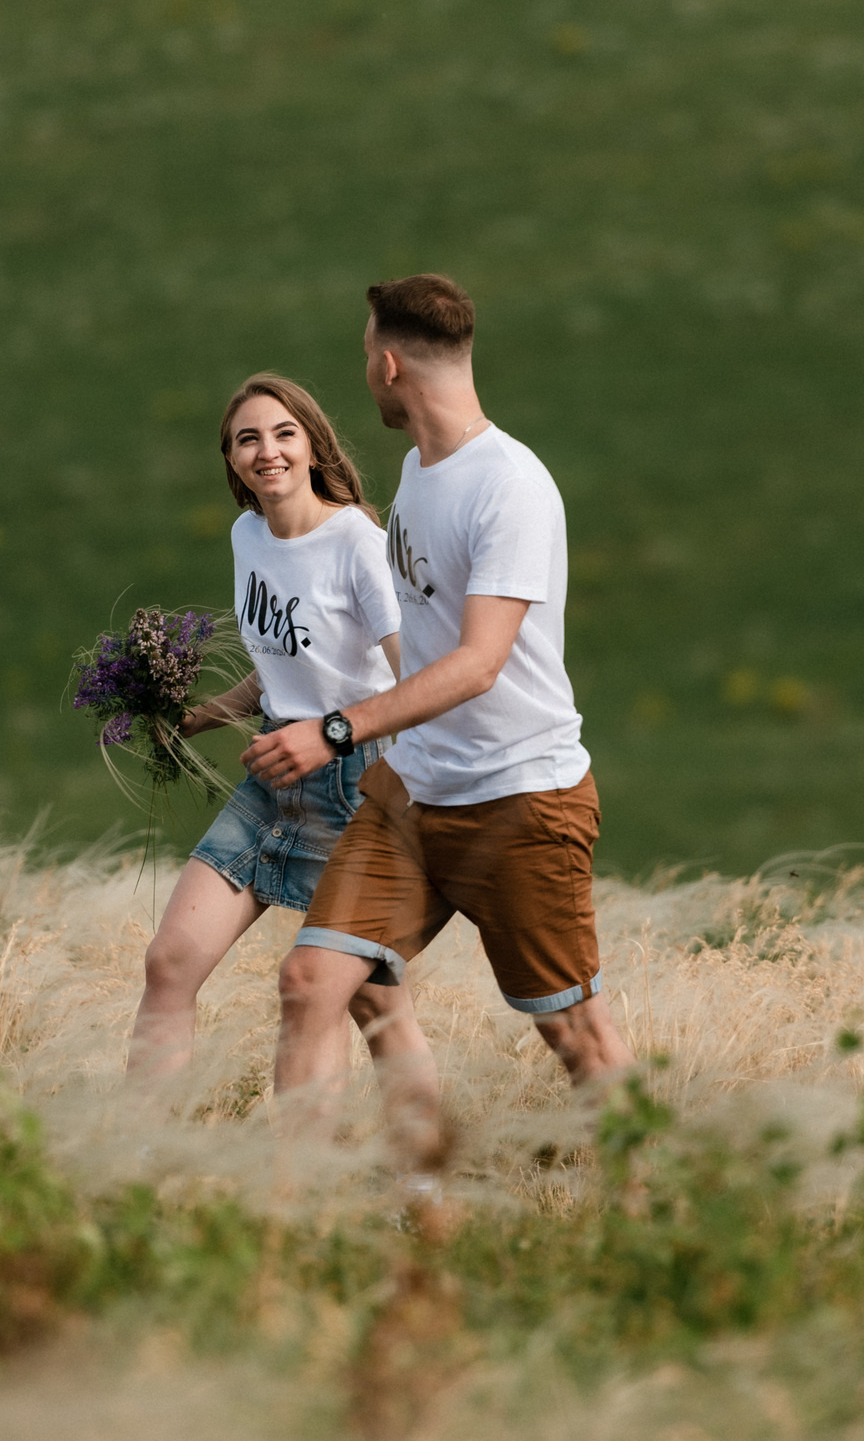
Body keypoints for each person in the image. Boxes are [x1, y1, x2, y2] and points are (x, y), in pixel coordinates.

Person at [242, 273, 630, 1130]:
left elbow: (478, 663)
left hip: (521, 799)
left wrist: (334, 732)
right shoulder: (420, 469)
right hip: (412, 793)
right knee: (310, 981)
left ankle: (654, 1212)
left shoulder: (510, 485)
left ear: (387, 366)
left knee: (576, 1033)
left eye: (362, 360)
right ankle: (295, 1220)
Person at [125, 373, 435, 1106]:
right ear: (230, 460)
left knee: (375, 1006)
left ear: (312, 444)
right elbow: (280, 672)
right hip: (270, 776)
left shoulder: (360, 544)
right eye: (248, 439)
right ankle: (138, 1163)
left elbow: (415, 687)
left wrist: (330, 738)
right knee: (169, 963)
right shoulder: (248, 536)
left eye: (283, 433)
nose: (268, 451)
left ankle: (420, 1186)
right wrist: (200, 715)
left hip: (353, 785)